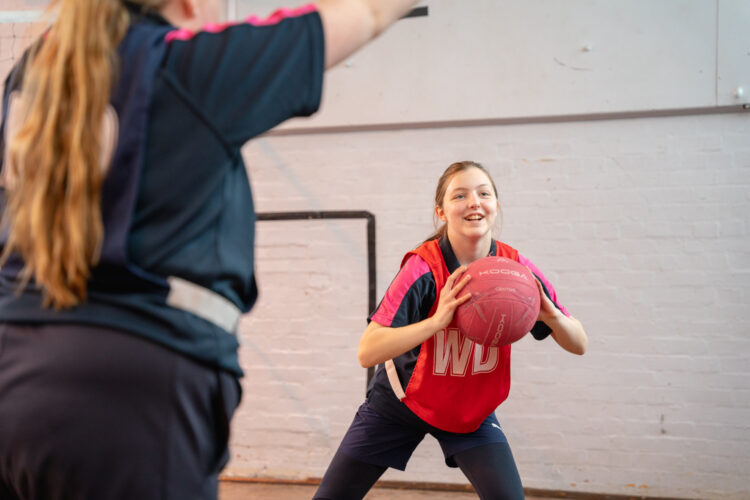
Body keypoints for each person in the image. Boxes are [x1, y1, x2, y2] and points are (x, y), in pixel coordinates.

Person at [0, 0, 420, 499]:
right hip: (135, 390)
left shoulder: (32, 74)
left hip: (13, 367)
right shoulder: (184, 64)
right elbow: (369, 12)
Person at [313, 161, 588, 500]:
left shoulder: (515, 272)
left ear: (496, 206)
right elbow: (367, 351)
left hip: (468, 408)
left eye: (483, 193)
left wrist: (554, 318)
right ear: (441, 211)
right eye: (460, 195)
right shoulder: (423, 268)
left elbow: (579, 344)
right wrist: (435, 322)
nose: (474, 201)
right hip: (401, 403)